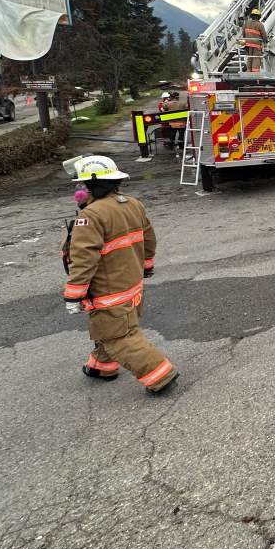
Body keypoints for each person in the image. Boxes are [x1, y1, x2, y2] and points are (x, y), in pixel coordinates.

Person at [62, 154, 178, 394]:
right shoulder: (133, 204)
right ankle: (101, 367)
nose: (80, 191)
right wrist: (147, 266)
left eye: (82, 185)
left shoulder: (90, 216)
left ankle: (161, 376)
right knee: (112, 329)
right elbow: (149, 238)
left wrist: (74, 294)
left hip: (109, 290)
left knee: (119, 337)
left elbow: (84, 258)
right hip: (132, 284)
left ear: (93, 185)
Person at [243, 8, 266, 73]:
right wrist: (266, 41)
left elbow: (243, 34)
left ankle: (248, 71)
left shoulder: (246, 23)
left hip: (248, 44)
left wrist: (245, 42)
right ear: (258, 17)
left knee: (250, 58)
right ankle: (255, 73)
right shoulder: (260, 24)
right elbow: (264, 35)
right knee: (256, 58)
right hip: (256, 45)